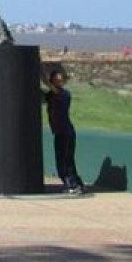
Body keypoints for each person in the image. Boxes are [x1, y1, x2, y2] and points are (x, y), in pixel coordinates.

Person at [43, 64, 87, 195]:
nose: (59, 82)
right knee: (62, 159)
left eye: (60, 80)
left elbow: (47, 85)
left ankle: (72, 184)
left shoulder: (64, 94)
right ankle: (77, 184)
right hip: (59, 132)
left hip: (66, 132)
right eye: (56, 80)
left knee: (66, 160)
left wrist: (38, 71)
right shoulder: (50, 95)